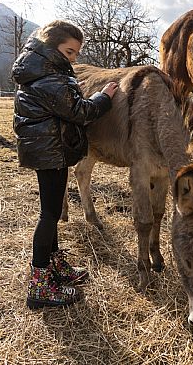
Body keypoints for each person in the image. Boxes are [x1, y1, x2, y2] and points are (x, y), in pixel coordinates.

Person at [12, 20, 118, 309]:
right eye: (69, 52)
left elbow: (58, 102)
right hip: (51, 151)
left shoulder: (41, 71)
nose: (73, 58)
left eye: (75, 54)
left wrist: (71, 90)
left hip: (46, 149)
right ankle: (40, 286)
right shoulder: (50, 77)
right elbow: (82, 112)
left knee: (52, 210)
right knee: (49, 215)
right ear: (51, 46)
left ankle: (55, 267)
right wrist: (103, 97)